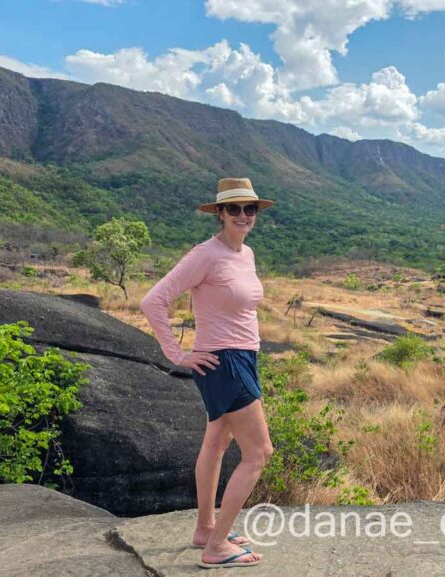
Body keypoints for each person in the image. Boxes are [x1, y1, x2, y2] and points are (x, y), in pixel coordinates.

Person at [140, 177, 275, 569]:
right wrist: (177, 354)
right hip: (223, 362)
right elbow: (154, 301)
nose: (243, 215)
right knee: (259, 453)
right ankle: (215, 549)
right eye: (233, 209)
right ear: (219, 213)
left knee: (216, 444)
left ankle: (205, 528)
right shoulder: (205, 255)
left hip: (242, 358)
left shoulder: (244, 254)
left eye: (249, 208)